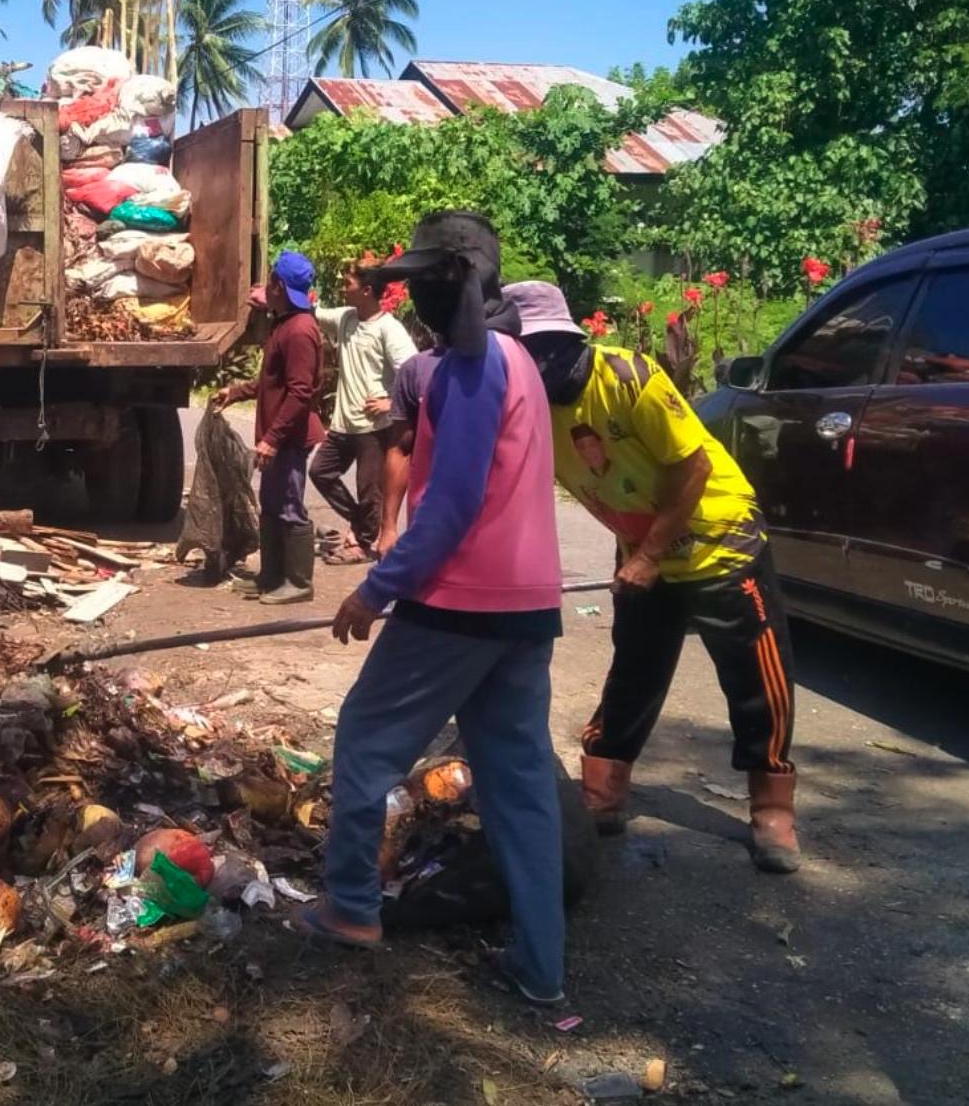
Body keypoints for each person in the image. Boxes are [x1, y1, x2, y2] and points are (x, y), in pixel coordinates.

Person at [288, 211, 569, 1008]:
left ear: (442, 291)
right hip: (526, 609)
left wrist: (375, 589)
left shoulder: (469, 369)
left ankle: (349, 908)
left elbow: (450, 511)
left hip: (459, 605)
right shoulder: (510, 361)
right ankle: (543, 970)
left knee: (366, 740)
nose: (412, 300)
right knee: (518, 788)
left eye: (419, 286)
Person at [509, 281, 801, 874]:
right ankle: (605, 788)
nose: (534, 368)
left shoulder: (627, 377)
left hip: (718, 539)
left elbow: (692, 466)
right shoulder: (531, 405)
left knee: (756, 676)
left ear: (569, 344)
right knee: (634, 673)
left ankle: (772, 806)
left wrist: (647, 555)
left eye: (542, 354)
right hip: (642, 548)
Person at [210, 252, 325, 604]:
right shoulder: (284, 323)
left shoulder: (300, 331)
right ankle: (271, 576)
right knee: (272, 503)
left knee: (289, 505)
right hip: (278, 436)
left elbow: (300, 392)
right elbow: (271, 382)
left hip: (289, 438)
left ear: (279, 286)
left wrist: (272, 439)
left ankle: (299, 582)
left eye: (270, 281)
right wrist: (236, 392)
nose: (264, 289)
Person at [310, 256, 419, 562]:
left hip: (374, 427)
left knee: (369, 489)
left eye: (348, 284)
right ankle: (361, 524)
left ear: (368, 290)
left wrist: (391, 402)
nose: (343, 289)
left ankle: (362, 543)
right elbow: (314, 313)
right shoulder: (346, 318)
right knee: (320, 472)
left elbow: (414, 372)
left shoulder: (389, 330)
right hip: (343, 423)